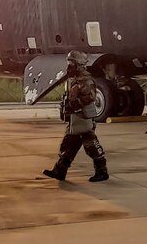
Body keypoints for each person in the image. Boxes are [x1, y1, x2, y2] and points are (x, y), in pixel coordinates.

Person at [42, 50, 109, 182]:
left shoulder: (86, 80)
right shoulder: (74, 79)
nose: (69, 66)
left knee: (91, 145)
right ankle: (60, 170)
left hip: (83, 118)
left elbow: (90, 97)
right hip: (75, 118)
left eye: (72, 63)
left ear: (79, 64)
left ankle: (102, 171)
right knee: (68, 145)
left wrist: (75, 105)